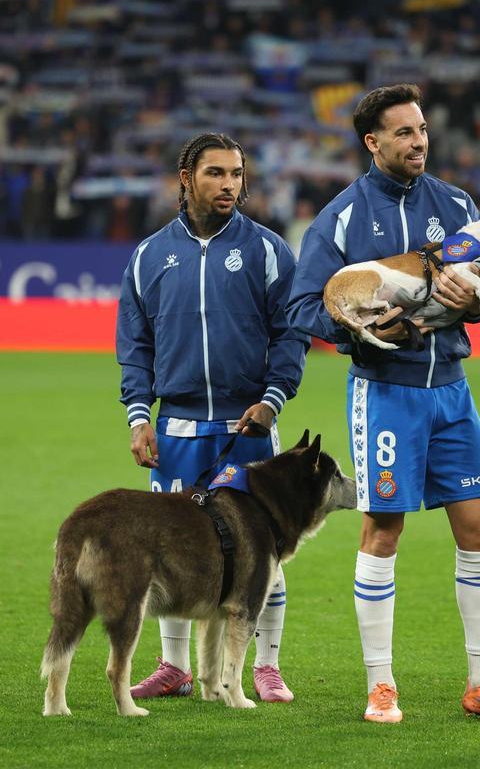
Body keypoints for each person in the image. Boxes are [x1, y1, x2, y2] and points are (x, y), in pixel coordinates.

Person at [287, 83, 480, 724]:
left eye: (422, 129)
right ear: (372, 143)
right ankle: (380, 685)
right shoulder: (341, 217)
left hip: (452, 389)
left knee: (479, 529)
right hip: (386, 393)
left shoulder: (455, 203)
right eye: (403, 132)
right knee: (383, 530)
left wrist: (473, 298)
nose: (419, 140)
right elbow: (300, 307)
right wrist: (358, 326)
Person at [116, 132, 308, 704]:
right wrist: (136, 415)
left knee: (264, 553)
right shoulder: (150, 255)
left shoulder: (269, 250)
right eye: (216, 173)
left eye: (236, 174)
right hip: (174, 428)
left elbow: (292, 333)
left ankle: (265, 667)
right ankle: (173, 666)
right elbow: (136, 344)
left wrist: (274, 397)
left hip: (246, 427)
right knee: (173, 550)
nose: (229, 184)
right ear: (186, 178)